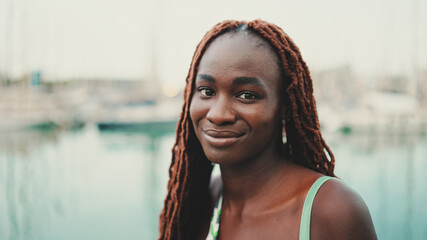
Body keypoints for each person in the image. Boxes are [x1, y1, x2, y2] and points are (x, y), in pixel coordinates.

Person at [159, 19, 377, 240]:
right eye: (206, 91)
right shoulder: (205, 197)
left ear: (284, 107)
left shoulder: (332, 209)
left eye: (246, 95)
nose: (217, 114)